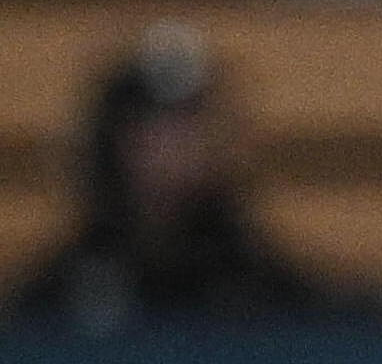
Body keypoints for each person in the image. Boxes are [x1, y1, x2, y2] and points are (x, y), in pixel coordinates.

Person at [9, 26, 362, 330]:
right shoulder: (56, 298)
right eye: (156, 129)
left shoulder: (263, 289)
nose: (177, 147)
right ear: (113, 143)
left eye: (192, 126)